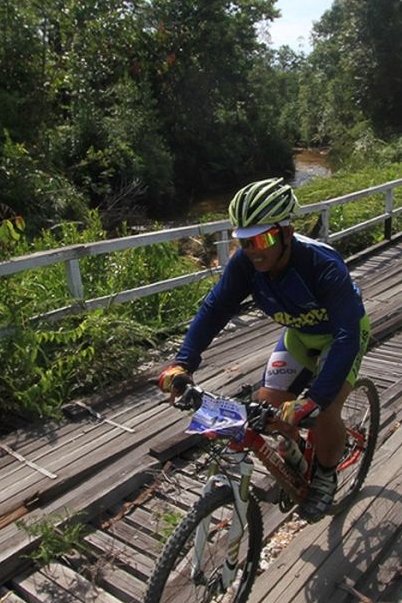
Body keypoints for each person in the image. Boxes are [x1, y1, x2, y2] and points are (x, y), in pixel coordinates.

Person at [156, 178, 370, 522]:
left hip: (340, 336)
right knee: (269, 403)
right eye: (243, 240)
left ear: (287, 231)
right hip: (300, 335)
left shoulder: (322, 264)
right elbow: (215, 309)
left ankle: (326, 476)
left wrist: (314, 400)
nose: (253, 250)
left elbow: (347, 334)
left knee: (324, 412)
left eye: (262, 239)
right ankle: (300, 457)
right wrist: (183, 363)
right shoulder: (245, 265)